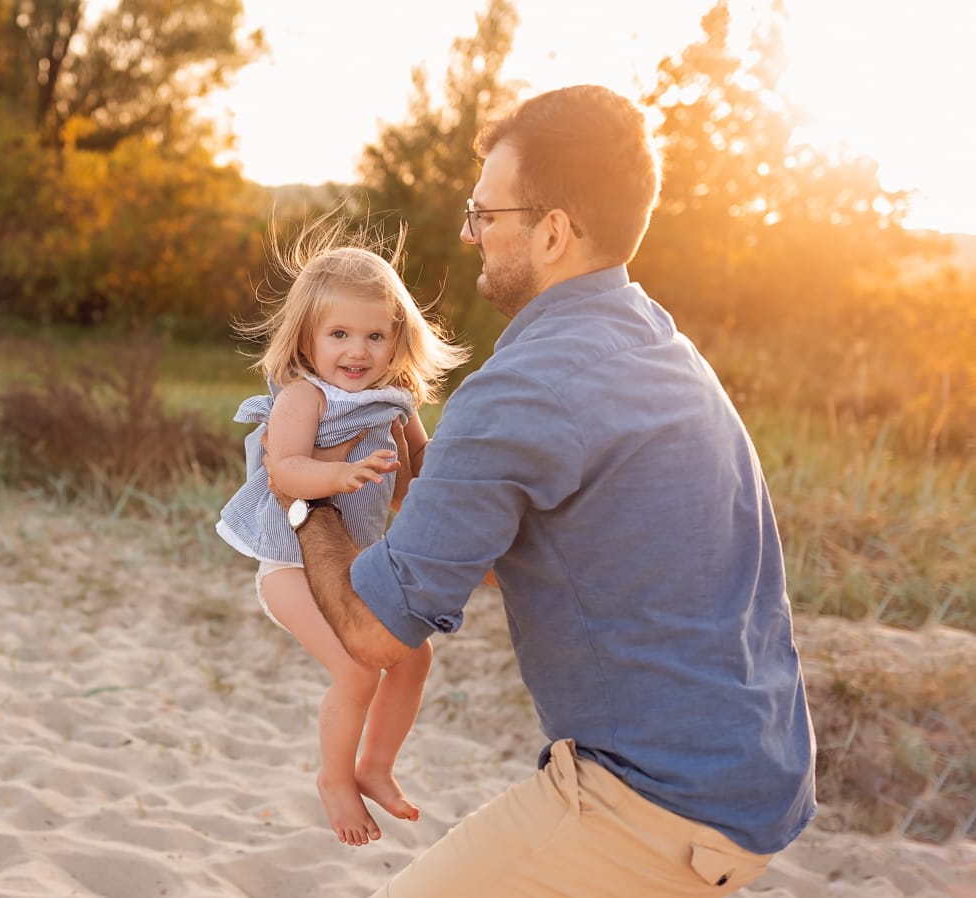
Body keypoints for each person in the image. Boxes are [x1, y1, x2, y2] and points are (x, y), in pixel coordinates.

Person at [268, 84, 817, 896]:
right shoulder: (661, 343)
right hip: (759, 781)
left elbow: (372, 636)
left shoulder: (523, 390)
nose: (469, 233)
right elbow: (531, 558)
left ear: (552, 231)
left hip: (650, 807)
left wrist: (302, 496)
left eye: (485, 215)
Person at [216, 214, 470, 847]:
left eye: (375, 336)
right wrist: (345, 474)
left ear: (397, 340)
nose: (358, 352)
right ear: (307, 339)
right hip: (289, 568)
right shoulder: (305, 397)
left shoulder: (397, 402)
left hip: (353, 563)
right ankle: (334, 779)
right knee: (356, 674)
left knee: (414, 659)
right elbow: (288, 470)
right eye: (339, 334)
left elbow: (419, 476)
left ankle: (375, 767)